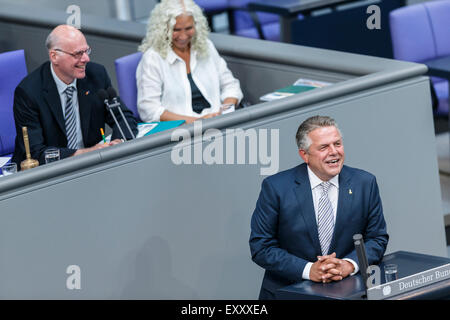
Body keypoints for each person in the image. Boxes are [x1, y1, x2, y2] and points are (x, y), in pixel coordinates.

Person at [249, 115, 389, 299]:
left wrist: (348, 264)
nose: (334, 152)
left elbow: (377, 238)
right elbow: (261, 246)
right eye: (324, 147)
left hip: (348, 292)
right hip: (290, 292)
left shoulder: (365, 183)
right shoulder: (276, 188)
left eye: (337, 144)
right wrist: (309, 270)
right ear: (304, 154)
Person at [12, 25, 138, 167]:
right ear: (54, 56)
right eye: (77, 54)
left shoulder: (96, 75)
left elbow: (123, 117)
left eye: (86, 51)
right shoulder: (29, 92)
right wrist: (86, 153)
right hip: (52, 172)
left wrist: (119, 142)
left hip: (94, 165)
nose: (86, 59)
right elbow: (34, 152)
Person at [136, 0, 243, 124]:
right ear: (164, 29)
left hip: (217, 122)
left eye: (188, 28)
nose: (183, 36)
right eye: (176, 30)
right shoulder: (153, 58)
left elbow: (230, 85)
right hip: (181, 130)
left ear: (196, 26)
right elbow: (149, 110)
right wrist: (196, 122)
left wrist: (225, 111)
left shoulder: (205, 46)